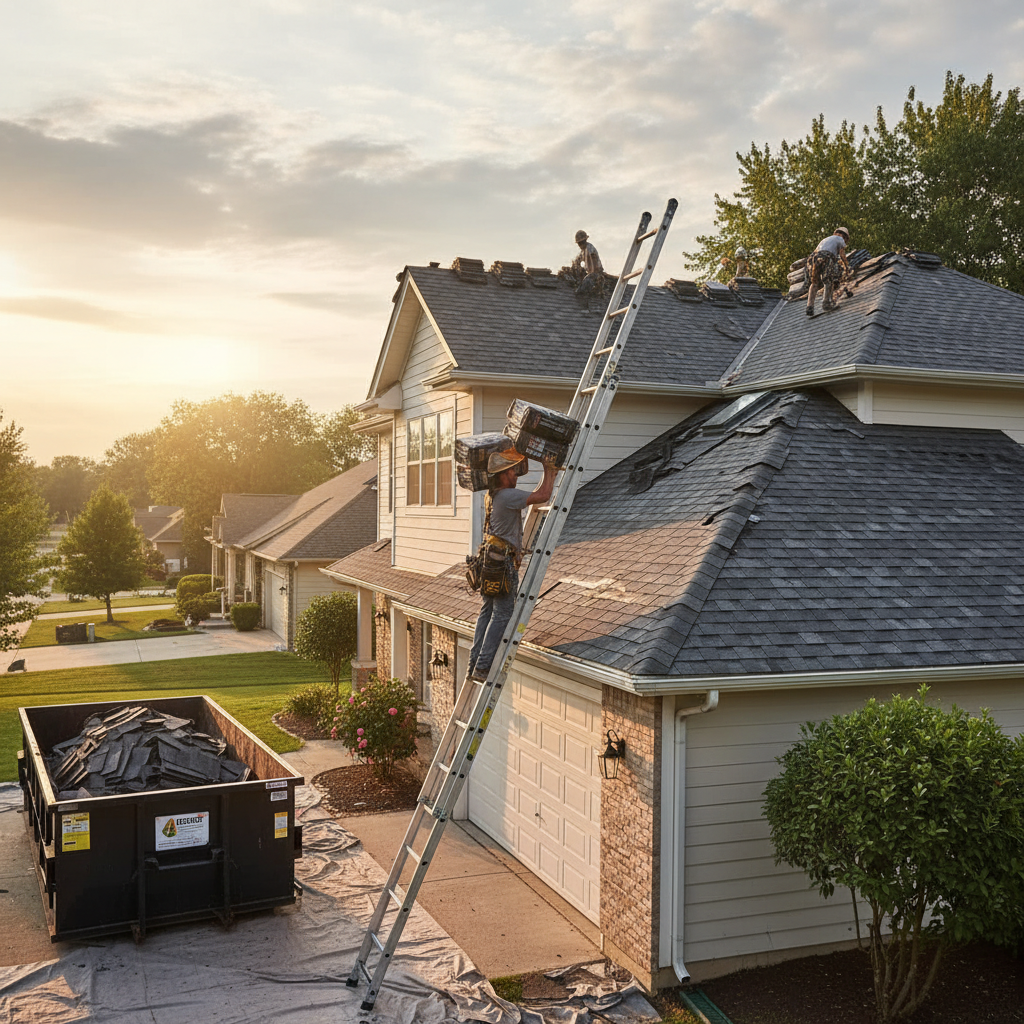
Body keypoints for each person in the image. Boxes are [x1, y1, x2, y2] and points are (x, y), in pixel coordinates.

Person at [467, 449, 557, 681]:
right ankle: (484, 666)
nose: (516, 475)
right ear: (502, 475)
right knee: (503, 614)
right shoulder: (507, 496)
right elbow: (544, 495)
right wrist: (549, 469)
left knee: (487, 611)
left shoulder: (492, 495)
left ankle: (474, 662)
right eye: (512, 471)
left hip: (489, 560)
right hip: (501, 564)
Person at [806, 227, 850, 316]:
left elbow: (815, 253)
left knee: (814, 283)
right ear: (844, 236)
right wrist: (847, 265)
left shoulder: (825, 239)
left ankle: (809, 306)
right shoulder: (840, 239)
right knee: (828, 281)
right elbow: (842, 253)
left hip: (815, 258)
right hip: (827, 257)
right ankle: (826, 304)